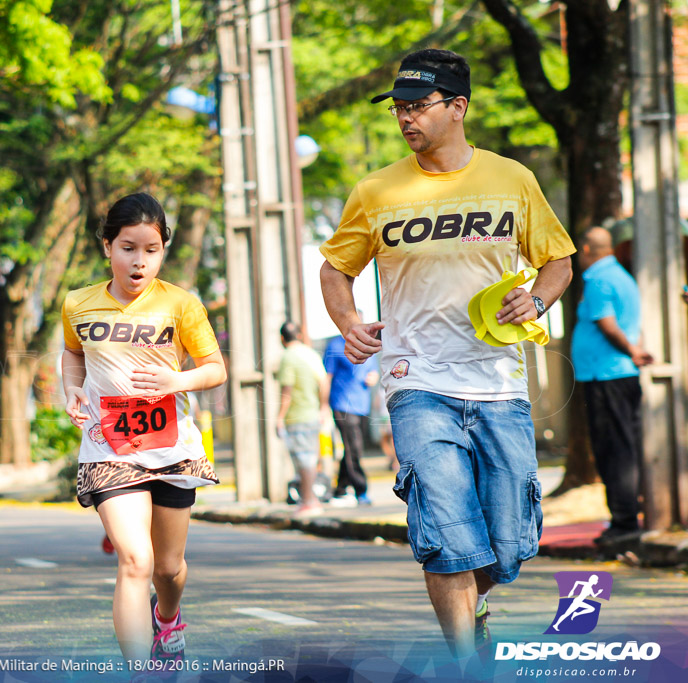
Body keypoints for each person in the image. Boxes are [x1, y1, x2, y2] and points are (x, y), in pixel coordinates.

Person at [319, 48, 575, 662]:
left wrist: (535, 303)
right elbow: (335, 269)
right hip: (416, 378)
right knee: (446, 525)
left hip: (497, 381)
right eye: (399, 109)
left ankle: (476, 605)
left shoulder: (511, 179)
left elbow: (557, 261)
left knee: (509, 540)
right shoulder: (377, 189)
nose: (406, 118)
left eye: (418, 106)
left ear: (457, 108)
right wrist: (350, 322)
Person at [61, 192, 227, 671]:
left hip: (171, 447)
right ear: (107, 246)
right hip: (108, 446)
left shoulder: (180, 304)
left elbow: (214, 367)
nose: (139, 261)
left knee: (167, 568)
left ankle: (168, 617)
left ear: (163, 250)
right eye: (128, 248)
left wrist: (179, 380)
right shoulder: (78, 304)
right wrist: (73, 391)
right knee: (134, 560)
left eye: (151, 250)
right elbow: (73, 354)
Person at [571, 227, 652, 543]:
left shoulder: (598, 279)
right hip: (621, 375)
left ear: (587, 248)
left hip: (606, 376)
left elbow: (608, 325)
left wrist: (632, 350)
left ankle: (623, 523)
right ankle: (628, 516)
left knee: (612, 450)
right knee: (625, 447)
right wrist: (636, 350)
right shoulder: (622, 276)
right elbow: (633, 323)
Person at [275, 322, 329, 516]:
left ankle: (309, 501)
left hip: (297, 416)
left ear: (282, 338)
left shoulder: (288, 357)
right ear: (298, 335)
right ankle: (309, 500)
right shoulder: (310, 354)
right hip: (313, 414)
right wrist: (323, 407)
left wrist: (279, 417)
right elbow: (323, 381)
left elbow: (286, 390)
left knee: (303, 460)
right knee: (310, 458)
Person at [323, 331, 379, 506]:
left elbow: (374, 371)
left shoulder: (367, 344)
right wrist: (323, 405)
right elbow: (327, 376)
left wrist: (373, 378)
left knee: (351, 448)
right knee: (354, 448)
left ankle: (340, 489)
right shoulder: (335, 345)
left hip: (362, 405)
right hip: (342, 404)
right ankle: (361, 490)